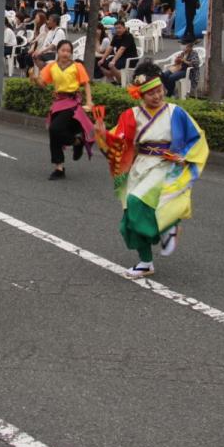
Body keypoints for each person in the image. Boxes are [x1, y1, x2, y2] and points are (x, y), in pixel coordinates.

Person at [94, 62, 209, 278]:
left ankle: (169, 226)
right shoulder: (131, 115)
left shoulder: (176, 112)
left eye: (159, 91)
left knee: (137, 202)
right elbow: (119, 140)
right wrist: (102, 134)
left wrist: (183, 156)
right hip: (140, 166)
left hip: (165, 167)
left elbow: (197, 137)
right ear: (141, 96)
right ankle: (146, 261)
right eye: (151, 93)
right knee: (129, 218)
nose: (157, 96)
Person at [31, 39, 95, 180]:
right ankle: (59, 168)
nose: (65, 53)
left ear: (71, 53)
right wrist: (35, 78)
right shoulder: (52, 67)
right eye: (63, 50)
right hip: (58, 102)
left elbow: (86, 84)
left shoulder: (77, 66)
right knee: (54, 135)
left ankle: (77, 142)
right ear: (58, 51)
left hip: (72, 102)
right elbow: (43, 84)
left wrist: (89, 101)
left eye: (68, 51)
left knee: (55, 128)